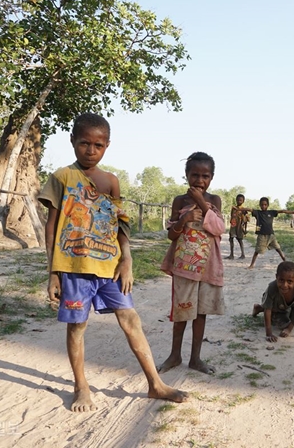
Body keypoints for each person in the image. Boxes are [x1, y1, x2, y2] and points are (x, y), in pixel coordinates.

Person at [38, 112, 187, 412]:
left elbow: (120, 225)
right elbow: (52, 226)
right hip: (74, 268)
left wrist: (127, 260)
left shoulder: (111, 181)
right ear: (72, 141)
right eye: (84, 143)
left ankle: (155, 384)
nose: (90, 151)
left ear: (107, 145)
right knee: (77, 327)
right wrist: (53, 272)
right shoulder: (62, 178)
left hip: (110, 266)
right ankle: (82, 387)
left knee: (131, 320)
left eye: (98, 145)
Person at [158, 152, 225, 375]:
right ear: (186, 175)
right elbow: (172, 236)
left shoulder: (214, 201)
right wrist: (184, 219)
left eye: (205, 176)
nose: (199, 180)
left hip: (207, 267)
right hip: (184, 268)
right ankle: (175, 355)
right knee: (181, 313)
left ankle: (195, 358)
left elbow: (218, 229)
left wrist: (201, 203)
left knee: (200, 313)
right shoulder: (179, 201)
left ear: (212, 178)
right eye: (194, 175)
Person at [236, 197, 294, 269]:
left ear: (268, 205)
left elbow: (282, 211)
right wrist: (239, 209)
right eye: (262, 205)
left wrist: (293, 212)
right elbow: (249, 209)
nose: (263, 206)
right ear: (260, 205)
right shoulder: (258, 213)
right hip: (262, 236)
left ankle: (285, 262)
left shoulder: (271, 212)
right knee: (257, 251)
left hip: (271, 235)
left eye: (265, 205)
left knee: (278, 249)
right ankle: (251, 265)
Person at [252, 261, 294, 342]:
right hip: (272, 302)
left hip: (283, 306)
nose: (284, 285)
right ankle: (259, 308)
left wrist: (289, 329)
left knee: (285, 319)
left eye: (289, 281)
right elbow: (268, 310)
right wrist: (269, 334)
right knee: (273, 313)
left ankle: (260, 308)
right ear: (276, 277)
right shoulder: (272, 287)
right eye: (281, 280)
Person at [226, 193, 249, 259]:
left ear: (243, 201)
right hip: (233, 226)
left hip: (239, 227)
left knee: (240, 240)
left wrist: (245, 229)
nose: (239, 201)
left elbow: (246, 220)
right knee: (231, 239)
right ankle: (231, 254)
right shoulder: (233, 208)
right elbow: (232, 216)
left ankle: (243, 254)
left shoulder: (244, 209)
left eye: (240, 200)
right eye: (238, 200)